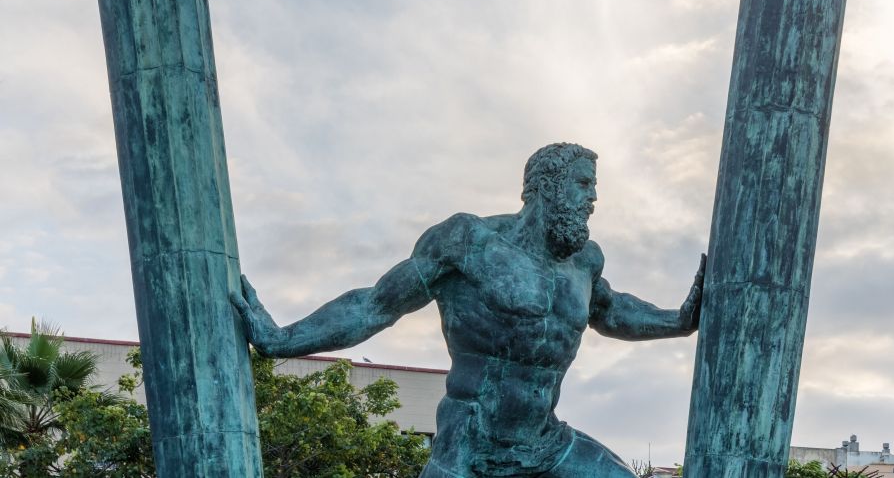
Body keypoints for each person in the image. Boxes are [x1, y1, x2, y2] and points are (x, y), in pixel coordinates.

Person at [232, 142, 704, 477]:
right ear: (547, 186)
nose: (593, 199)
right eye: (583, 185)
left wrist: (681, 321)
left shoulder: (584, 262)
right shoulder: (467, 242)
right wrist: (282, 339)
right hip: (470, 446)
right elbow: (374, 305)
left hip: (544, 442)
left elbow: (613, 311)